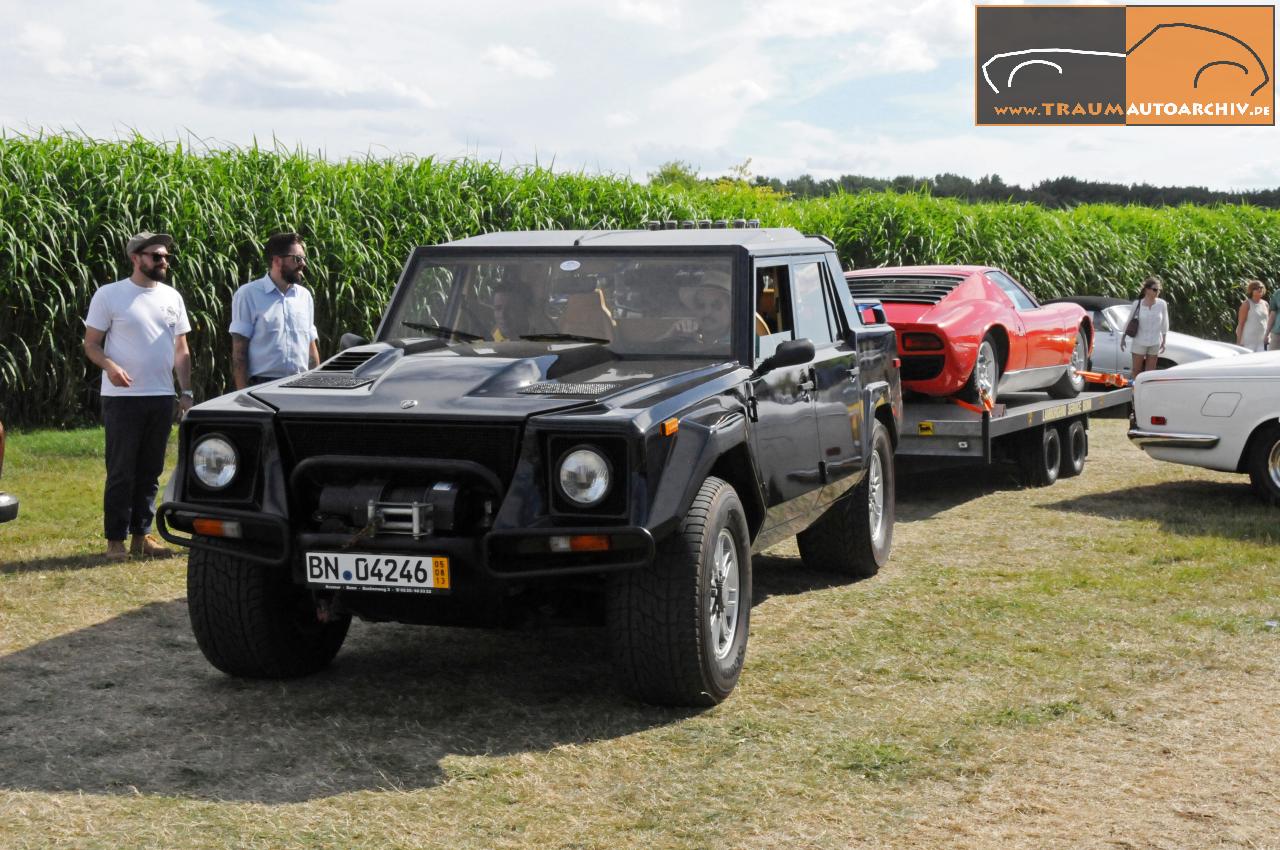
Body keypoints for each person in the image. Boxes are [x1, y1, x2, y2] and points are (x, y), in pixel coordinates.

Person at [82, 232, 193, 561]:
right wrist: (110, 366)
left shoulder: (172, 297)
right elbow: (91, 344)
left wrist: (185, 392)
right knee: (121, 470)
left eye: (166, 257)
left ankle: (141, 536)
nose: (163, 261)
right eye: (156, 256)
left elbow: (182, 350)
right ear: (136, 257)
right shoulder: (111, 295)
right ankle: (115, 540)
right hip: (122, 398)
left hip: (161, 396)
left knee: (151, 470)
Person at [229, 232, 320, 388]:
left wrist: (317, 387)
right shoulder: (248, 294)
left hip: (301, 384)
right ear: (277, 260)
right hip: (262, 386)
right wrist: (241, 396)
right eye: (297, 259)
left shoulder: (304, 297)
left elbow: (311, 347)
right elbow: (239, 353)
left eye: (304, 259)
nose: (303, 264)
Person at [1119, 275, 1169, 377]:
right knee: (1136, 370)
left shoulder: (1162, 304)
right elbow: (1129, 321)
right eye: (1155, 289)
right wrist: (1123, 338)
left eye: (1158, 290)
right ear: (1147, 290)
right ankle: (1135, 391)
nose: (1157, 292)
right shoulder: (1137, 304)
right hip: (1139, 341)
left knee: (1150, 373)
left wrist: (1164, 340)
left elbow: (1164, 322)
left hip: (1154, 342)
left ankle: (1146, 392)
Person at [667, 270, 733, 346]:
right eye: (700, 305)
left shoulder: (739, 346)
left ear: (731, 310)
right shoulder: (685, 338)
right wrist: (670, 336)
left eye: (716, 306)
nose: (707, 312)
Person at [1236, 279, 1269, 352]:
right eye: (1256, 288)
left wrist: (1268, 336)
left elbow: (1267, 322)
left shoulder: (1265, 304)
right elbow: (1240, 324)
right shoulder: (1246, 304)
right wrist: (1238, 343)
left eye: (1261, 287)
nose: (1259, 289)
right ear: (1251, 290)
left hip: (1262, 341)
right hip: (1248, 342)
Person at [1268, 281, 1280, 351]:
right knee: (1272, 356)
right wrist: (1267, 333)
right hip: (1277, 333)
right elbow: (1272, 314)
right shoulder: (1277, 293)